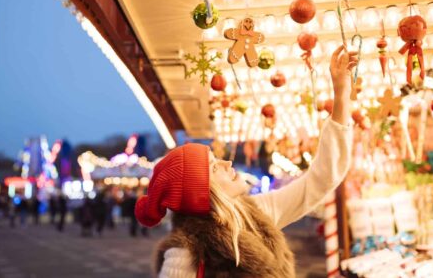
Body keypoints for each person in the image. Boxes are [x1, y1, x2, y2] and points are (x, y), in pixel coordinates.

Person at [136, 46, 356, 277]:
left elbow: (321, 179)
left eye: (217, 159)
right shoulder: (185, 254)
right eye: (213, 167)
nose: (227, 164)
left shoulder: (256, 214)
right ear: (201, 193)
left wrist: (341, 94)